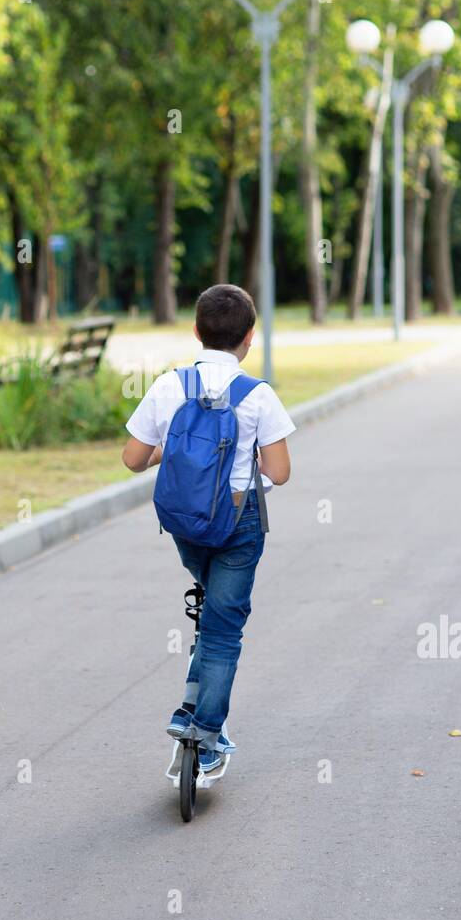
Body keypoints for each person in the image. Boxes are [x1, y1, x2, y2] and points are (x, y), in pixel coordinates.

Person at [121, 283, 296, 771]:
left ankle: (188, 710)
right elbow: (279, 472)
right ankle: (206, 732)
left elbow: (133, 459)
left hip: (185, 524)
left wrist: (174, 454)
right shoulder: (258, 395)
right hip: (238, 525)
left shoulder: (169, 385)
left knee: (212, 616)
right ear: (250, 338)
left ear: (196, 331)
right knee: (224, 631)